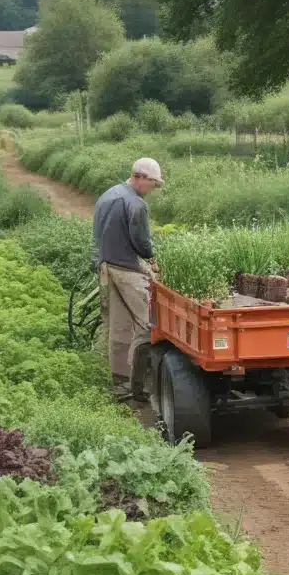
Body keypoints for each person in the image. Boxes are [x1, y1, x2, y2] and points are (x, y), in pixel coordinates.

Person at [92, 157, 163, 400]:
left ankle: (120, 385)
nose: (151, 190)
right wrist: (152, 260)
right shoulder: (136, 204)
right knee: (148, 326)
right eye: (152, 184)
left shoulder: (108, 195)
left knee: (120, 327)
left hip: (107, 266)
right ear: (141, 177)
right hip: (126, 270)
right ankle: (138, 386)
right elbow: (141, 241)